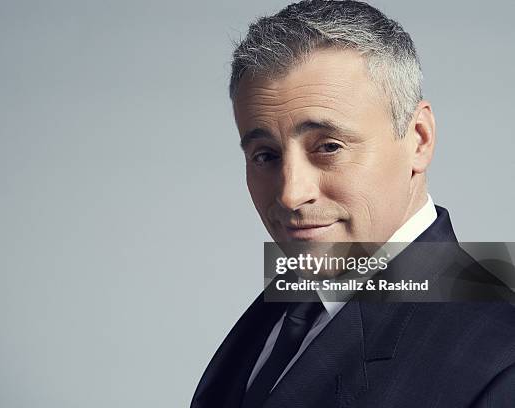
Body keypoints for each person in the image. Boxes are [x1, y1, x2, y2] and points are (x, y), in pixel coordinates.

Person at [190, 1, 515, 407]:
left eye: (329, 147)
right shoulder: (283, 309)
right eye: (265, 155)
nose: (291, 194)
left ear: (419, 139)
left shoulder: (501, 363)